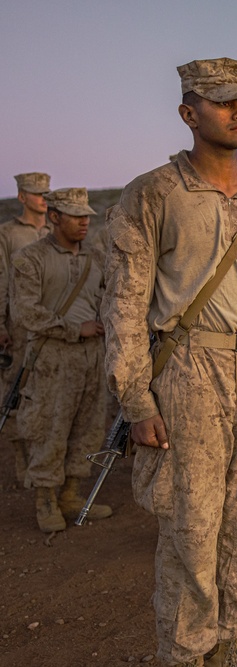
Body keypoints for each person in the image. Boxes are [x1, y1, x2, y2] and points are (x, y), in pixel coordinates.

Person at [102, 57, 237, 666]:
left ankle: (229, 641)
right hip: (190, 377)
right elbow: (125, 305)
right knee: (191, 530)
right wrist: (136, 400)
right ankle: (186, 652)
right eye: (225, 102)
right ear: (188, 113)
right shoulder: (153, 194)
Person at [11, 187, 108, 532]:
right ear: (54, 217)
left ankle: (71, 494)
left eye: (86, 216)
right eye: (75, 215)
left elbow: (107, 299)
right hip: (53, 356)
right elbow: (24, 311)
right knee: (50, 428)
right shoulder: (29, 258)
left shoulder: (96, 258)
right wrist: (71, 328)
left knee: (88, 427)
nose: (84, 222)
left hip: (93, 357)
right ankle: (46, 500)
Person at [0, 171, 52, 484]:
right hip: (18, 326)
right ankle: (22, 460)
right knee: (18, 389)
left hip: (51, 326)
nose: (44, 198)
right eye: (37, 193)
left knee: (47, 390)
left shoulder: (55, 230)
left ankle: (44, 459)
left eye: (46, 192)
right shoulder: (7, 234)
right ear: (22, 197)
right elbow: (2, 278)